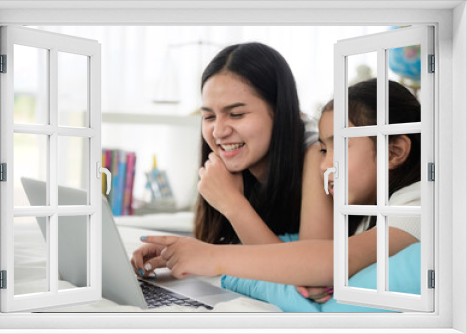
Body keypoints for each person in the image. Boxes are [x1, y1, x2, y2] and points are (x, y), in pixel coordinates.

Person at [137, 78, 422, 303]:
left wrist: (210, 257)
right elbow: (310, 262)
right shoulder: (362, 212)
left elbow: (333, 261)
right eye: (323, 149)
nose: (324, 165)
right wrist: (181, 252)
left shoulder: (416, 206)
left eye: (340, 146)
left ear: (394, 151)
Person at [131, 42, 333, 277]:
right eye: (208, 116)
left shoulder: (318, 155)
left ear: (279, 112)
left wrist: (232, 203)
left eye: (236, 114)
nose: (218, 131)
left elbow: (310, 274)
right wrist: (182, 251)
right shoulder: (230, 167)